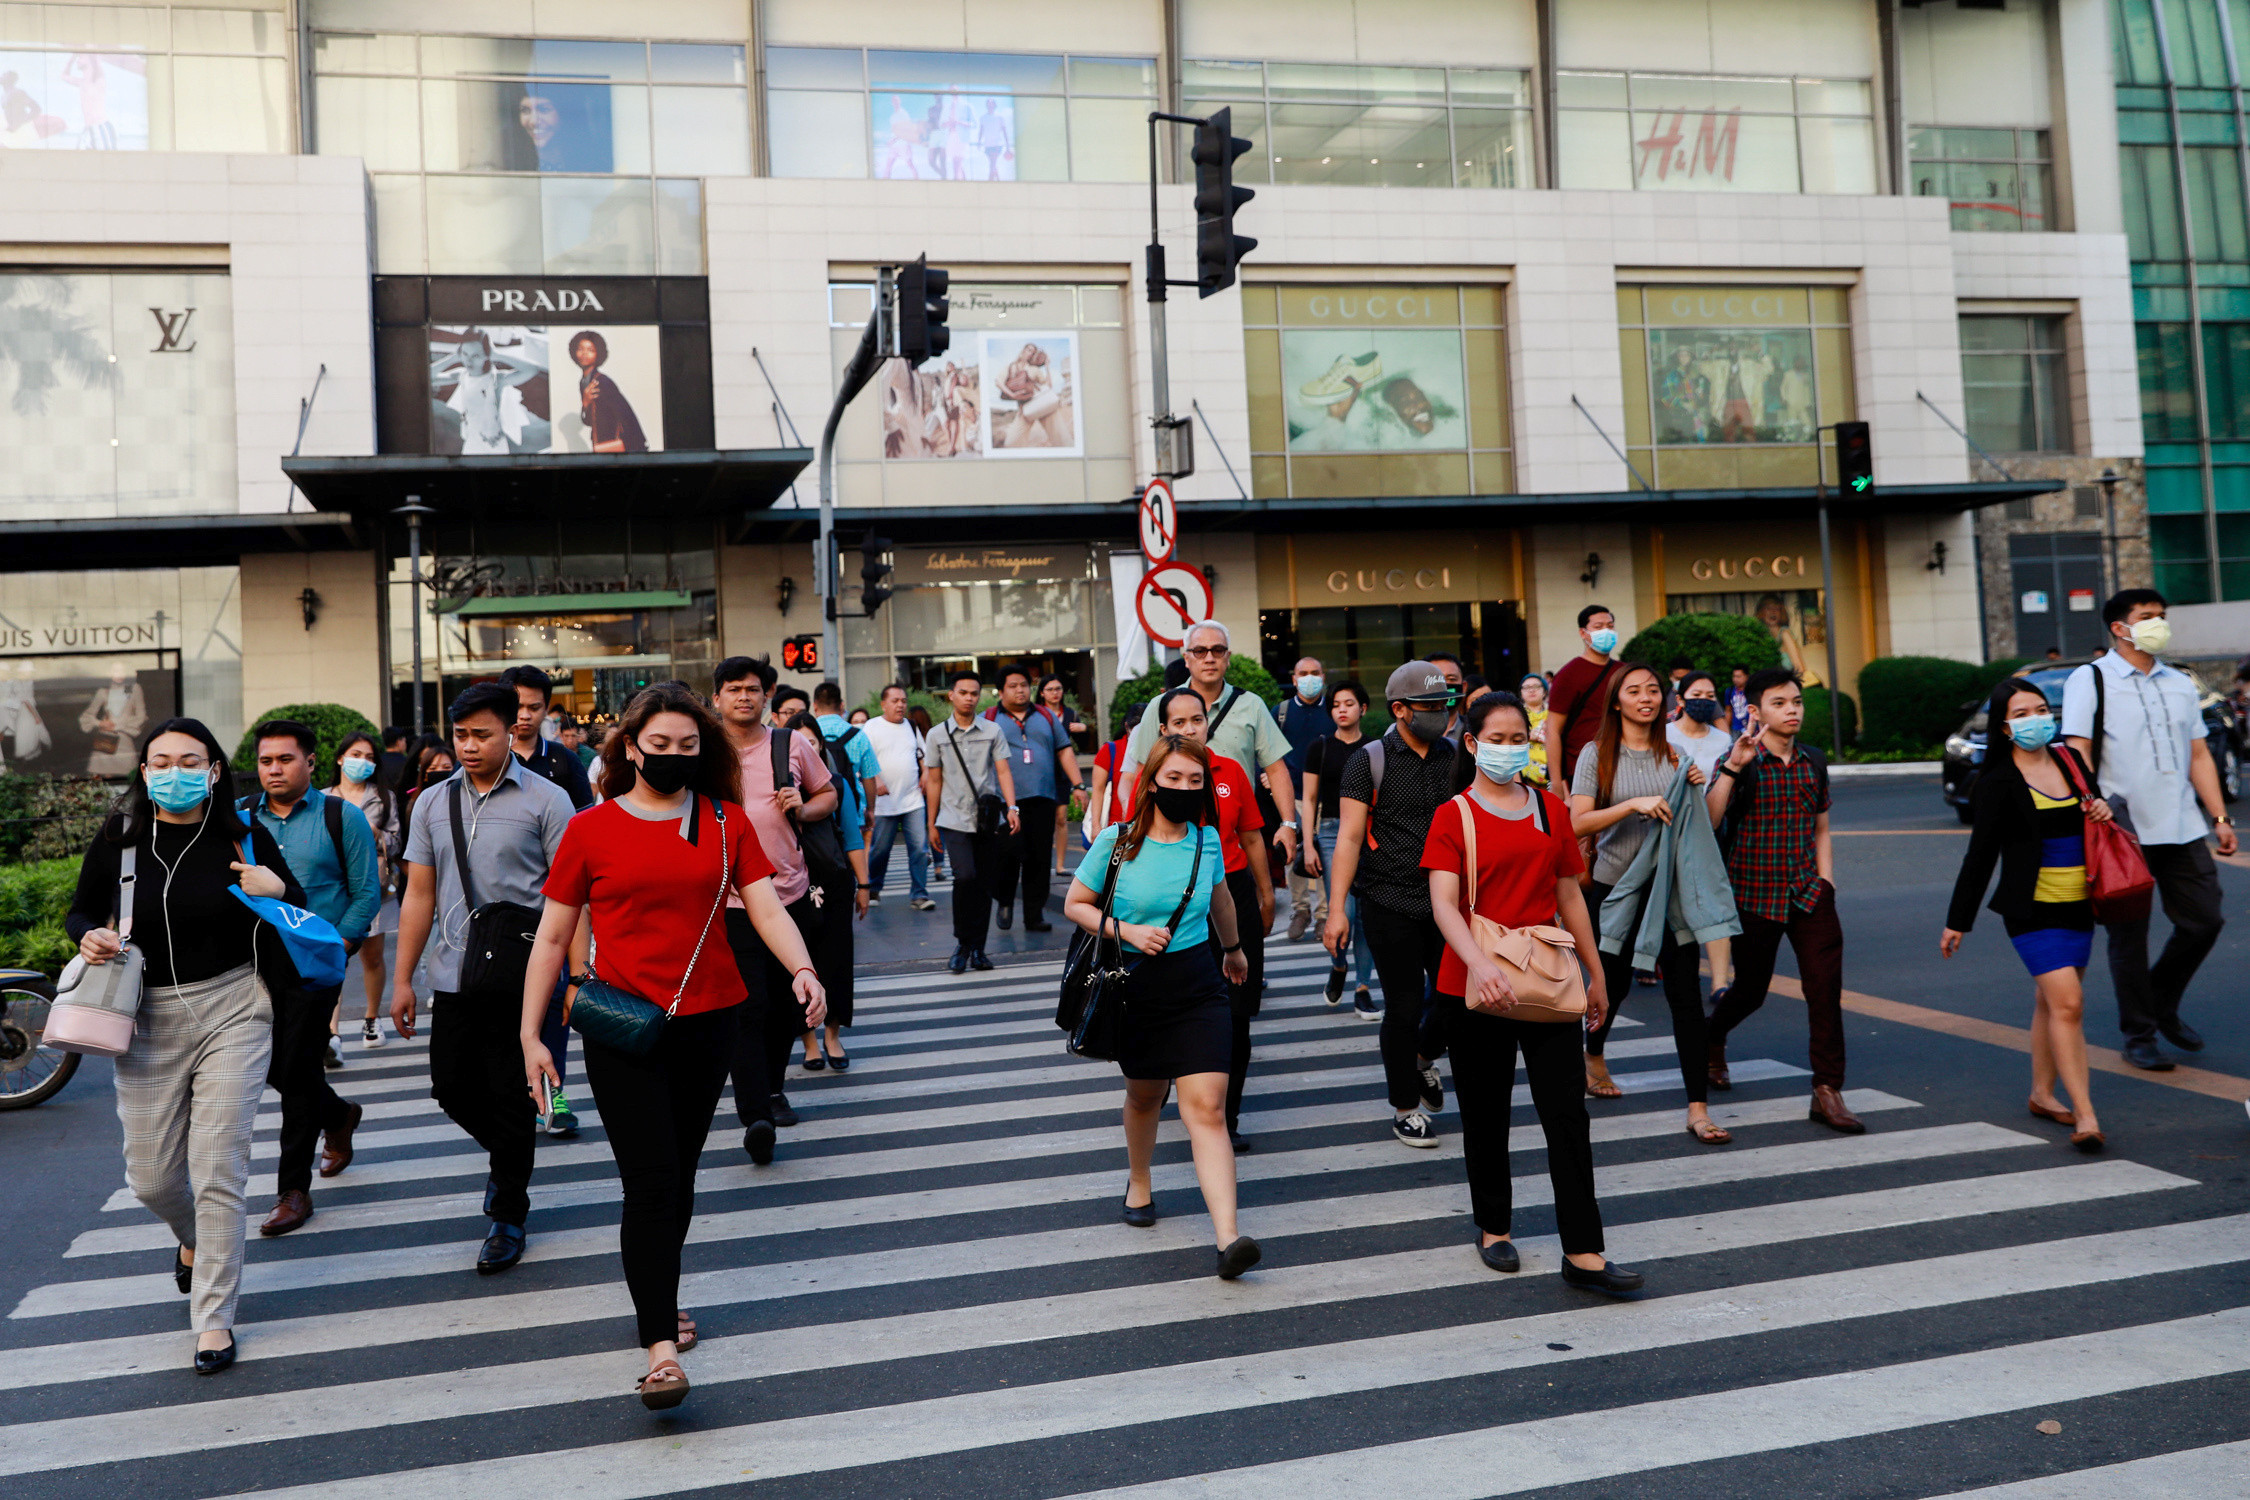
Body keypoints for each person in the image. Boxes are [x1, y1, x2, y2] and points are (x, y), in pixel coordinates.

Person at [523, 683, 824, 1410]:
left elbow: (763, 905)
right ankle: (659, 1347)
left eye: (688, 747)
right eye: (659, 746)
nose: (673, 757)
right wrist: (533, 1035)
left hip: (708, 1022)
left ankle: (659, 1291)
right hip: (623, 1025)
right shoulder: (591, 830)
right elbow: (556, 936)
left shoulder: (725, 822)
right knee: (651, 1182)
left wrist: (803, 968)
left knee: (679, 1178)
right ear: (632, 748)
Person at [67, 718, 303, 1374]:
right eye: (162, 760)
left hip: (236, 1009)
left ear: (215, 769)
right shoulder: (121, 835)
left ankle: (214, 1320)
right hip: (146, 1016)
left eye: (190, 759)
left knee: (219, 1166)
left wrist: (275, 888)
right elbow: (80, 910)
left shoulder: (241, 834)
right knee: (149, 1176)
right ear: (144, 772)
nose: (175, 771)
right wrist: (88, 936)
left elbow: (300, 907)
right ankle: (195, 1240)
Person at [1422, 691, 1643, 1294]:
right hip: (1474, 984)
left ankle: (1585, 1250)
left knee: (1567, 1115)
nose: (1508, 748)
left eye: (1518, 736)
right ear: (1471, 745)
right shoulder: (1454, 815)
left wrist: (1595, 974)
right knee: (1487, 1113)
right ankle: (1494, 1228)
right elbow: (1443, 902)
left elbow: (1570, 894)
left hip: (1545, 976)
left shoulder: (1549, 809)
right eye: (1494, 739)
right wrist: (1479, 965)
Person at [391, 683, 577, 1274]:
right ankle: (510, 1158)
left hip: (525, 972)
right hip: (452, 973)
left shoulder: (547, 801)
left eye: (482, 735)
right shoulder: (430, 803)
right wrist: (403, 981)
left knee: (509, 1092)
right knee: (451, 1087)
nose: (468, 747)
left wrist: (577, 975)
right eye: (461, 736)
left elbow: (574, 898)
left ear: (512, 731)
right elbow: (418, 895)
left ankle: (508, 1214)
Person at [1063, 736, 1261, 1280]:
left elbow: (1219, 899)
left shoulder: (1206, 841)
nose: (1184, 790)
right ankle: (1140, 1181)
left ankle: (1228, 1238)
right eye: (1174, 779)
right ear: (1152, 781)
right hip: (1137, 987)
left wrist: (1235, 949)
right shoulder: (1118, 841)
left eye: (1195, 782)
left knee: (1208, 1109)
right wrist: (1128, 930)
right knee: (1145, 1095)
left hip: (1198, 986)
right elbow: (1074, 904)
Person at [2061, 588, 2235, 1071]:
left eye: (2162, 615)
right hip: (2123, 827)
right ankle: (2139, 1034)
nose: (2158, 623)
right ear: (2120, 627)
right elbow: (2077, 749)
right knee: (2128, 937)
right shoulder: (2090, 680)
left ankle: (2160, 1001)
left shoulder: (2179, 683)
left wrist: (2218, 818)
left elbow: (2199, 754)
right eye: (2147, 616)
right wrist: (2090, 804)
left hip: (2181, 825)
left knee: (2204, 920)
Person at [1943, 678, 2112, 1150]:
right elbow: (1979, 858)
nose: (2036, 719)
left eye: (2040, 709)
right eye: (2022, 714)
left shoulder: (2070, 760)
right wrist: (1959, 920)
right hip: (2031, 910)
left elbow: (2095, 813)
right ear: (2004, 728)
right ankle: (2086, 1115)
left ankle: (2042, 1092)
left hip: (2080, 902)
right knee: (2069, 1004)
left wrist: (2099, 810)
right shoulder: (1995, 783)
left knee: (2051, 1002)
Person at [1567, 667, 1729, 1142]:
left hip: (1668, 893)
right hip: (1615, 890)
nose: (1646, 699)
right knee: (1610, 989)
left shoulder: (1676, 754)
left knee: (1684, 997)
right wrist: (1632, 804)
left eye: (1653, 691)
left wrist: (1702, 785)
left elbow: (1702, 825)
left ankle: (1697, 1108)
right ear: (1616, 702)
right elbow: (1577, 823)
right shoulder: (1597, 754)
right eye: (1634, 691)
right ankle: (1592, 1052)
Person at [1703, 668, 1862, 1133]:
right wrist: (1734, 765)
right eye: (1780, 703)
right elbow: (1710, 821)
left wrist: (1827, 881)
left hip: (1810, 893)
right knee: (1751, 990)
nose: (1792, 710)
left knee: (1824, 989)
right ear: (1755, 711)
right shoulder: (1740, 759)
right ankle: (1714, 1038)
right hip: (1753, 895)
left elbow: (1822, 827)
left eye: (1796, 701)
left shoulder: (1813, 760)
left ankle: (1827, 1090)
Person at [244, 719, 380, 1236]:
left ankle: (292, 1191)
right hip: (258, 964)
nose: (274, 769)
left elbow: (367, 891)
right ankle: (339, 1115)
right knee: (281, 1069)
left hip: (316, 965)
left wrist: (337, 946)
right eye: (265, 761)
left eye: (284, 759)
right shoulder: (239, 819)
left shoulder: (339, 815)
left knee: (296, 1067)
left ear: (310, 763)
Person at [1323, 661, 1463, 1148]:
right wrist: (1337, 909)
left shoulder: (1456, 757)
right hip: (1388, 901)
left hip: (1451, 904)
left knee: (1457, 1001)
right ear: (1400, 709)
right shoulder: (1370, 759)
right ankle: (1405, 1108)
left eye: (1445, 706)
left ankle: (1423, 1058)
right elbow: (1349, 836)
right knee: (1402, 1008)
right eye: (1427, 707)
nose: (1439, 716)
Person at [711, 656, 836, 1158]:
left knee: (788, 1006)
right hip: (729, 902)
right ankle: (756, 1112)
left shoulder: (791, 743)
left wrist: (802, 807)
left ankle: (775, 1085)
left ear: (768, 696)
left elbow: (828, 793)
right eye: (734, 689)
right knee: (748, 1006)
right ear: (717, 696)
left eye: (754, 689)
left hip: (789, 892)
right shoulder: (703, 751)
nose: (745, 696)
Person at [1150, 687, 1272, 1149]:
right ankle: (1162, 1084)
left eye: (1196, 720)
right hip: (1174, 906)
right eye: (1178, 723)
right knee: (1172, 1006)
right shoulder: (1156, 775)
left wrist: (1264, 894)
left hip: (1231, 894)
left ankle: (1227, 1116)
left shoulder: (1231, 772)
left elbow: (1252, 837)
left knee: (1237, 1015)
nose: (1189, 729)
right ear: (1164, 730)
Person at [1122, 621, 1301, 876]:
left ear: (1227, 657)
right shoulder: (1160, 706)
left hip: (1235, 845)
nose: (1209, 658)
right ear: (1186, 658)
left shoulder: (1251, 705)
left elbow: (1276, 768)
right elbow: (1140, 774)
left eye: (1218, 650)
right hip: (1172, 847)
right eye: (1200, 651)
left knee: (1242, 910)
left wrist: (1288, 824)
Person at [497, 665, 593, 1135]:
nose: (524, 716)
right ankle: (514, 1092)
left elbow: (586, 833)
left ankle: (553, 1092)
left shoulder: (563, 763)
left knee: (555, 1002)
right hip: (495, 914)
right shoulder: (480, 760)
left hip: (553, 909)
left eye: (535, 707)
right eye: (516, 706)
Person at [795, 701, 873, 1070]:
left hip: (836, 883)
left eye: (813, 743)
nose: (808, 749)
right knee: (800, 962)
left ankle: (833, 1035)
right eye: (800, 743)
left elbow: (853, 837)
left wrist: (864, 885)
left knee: (837, 960)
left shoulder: (836, 784)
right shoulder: (775, 790)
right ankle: (809, 1041)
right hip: (790, 887)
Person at [926, 668, 1019, 973]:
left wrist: (1012, 808)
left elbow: (1003, 771)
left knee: (983, 882)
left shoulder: (993, 731)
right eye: (963, 693)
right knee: (964, 876)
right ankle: (963, 942)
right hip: (953, 818)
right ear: (951, 695)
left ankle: (977, 948)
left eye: (974, 693)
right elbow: (934, 781)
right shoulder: (937, 735)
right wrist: (931, 823)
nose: (969, 698)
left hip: (987, 819)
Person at [984, 664, 1078, 933]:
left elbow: (1065, 751)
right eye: (1012, 686)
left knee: (1038, 859)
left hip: (1043, 797)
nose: (1019, 690)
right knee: (1006, 855)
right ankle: (1004, 900)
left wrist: (1078, 784)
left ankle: (1034, 915)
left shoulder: (1046, 716)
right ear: (1001, 691)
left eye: (1024, 685)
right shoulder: (989, 718)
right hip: (1005, 801)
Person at [1300, 678, 1375, 1014]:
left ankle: (1362, 986)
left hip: (1370, 836)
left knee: (1365, 918)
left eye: (1348, 704)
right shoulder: (1320, 747)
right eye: (1336, 705)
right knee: (1342, 910)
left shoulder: (1375, 748)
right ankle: (1339, 964)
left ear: (1363, 708)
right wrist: (1309, 844)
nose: (1342, 710)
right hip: (1330, 833)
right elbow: (1310, 798)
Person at [1665, 671, 1735, 1003]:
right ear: (1679, 700)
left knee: (1713, 899)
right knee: (1669, 901)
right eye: (1696, 694)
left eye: (1710, 696)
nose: (1704, 701)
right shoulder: (1662, 736)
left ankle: (1720, 982)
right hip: (1667, 828)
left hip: (1711, 829)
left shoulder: (1724, 741)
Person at [332, 731, 399, 1051]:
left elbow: (398, 842)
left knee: (372, 957)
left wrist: (374, 833)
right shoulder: (322, 796)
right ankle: (330, 1031)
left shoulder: (383, 797)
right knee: (332, 957)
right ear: (340, 758)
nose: (363, 762)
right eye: (357, 755)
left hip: (374, 888)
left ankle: (372, 1019)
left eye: (370, 757)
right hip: (331, 890)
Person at [863, 684, 935, 911]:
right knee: (880, 850)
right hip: (884, 802)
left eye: (903, 700)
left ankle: (919, 895)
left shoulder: (911, 726)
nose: (900, 705)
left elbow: (922, 754)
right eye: (895, 701)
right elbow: (863, 759)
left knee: (919, 849)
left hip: (912, 799)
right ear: (883, 704)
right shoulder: (871, 727)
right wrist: (876, 781)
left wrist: (925, 772)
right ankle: (874, 888)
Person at [1277, 656, 1331, 941]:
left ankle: (1324, 914)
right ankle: (1301, 910)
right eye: (1303, 673)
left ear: (1323, 676)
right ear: (1294, 678)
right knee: (1292, 854)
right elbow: (1267, 753)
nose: (1309, 678)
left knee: (1325, 855)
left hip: (1329, 796)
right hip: (1293, 796)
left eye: (1315, 672)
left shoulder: (1334, 708)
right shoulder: (1282, 712)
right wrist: (1266, 775)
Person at [1545, 606, 1619, 788]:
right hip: (1581, 770)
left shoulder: (1624, 672)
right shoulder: (1568, 675)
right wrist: (1557, 782)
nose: (1606, 632)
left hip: (1622, 765)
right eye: (1599, 626)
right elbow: (1553, 731)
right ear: (1583, 633)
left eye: (1610, 626)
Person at [568, 330, 650, 453]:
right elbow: (589, 421)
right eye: (580, 349)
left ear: (598, 354)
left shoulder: (602, 382)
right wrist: (585, 403)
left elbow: (625, 413)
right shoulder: (584, 382)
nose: (584, 354)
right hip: (601, 443)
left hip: (613, 445)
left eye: (590, 350)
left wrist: (637, 444)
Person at [1089, 704, 1143, 836]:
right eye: (1134, 729)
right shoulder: (1110, 750)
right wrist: (1096, 825)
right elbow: (1098, 789)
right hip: (1117, 828)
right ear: (1126, 727)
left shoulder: (1158, 748)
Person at [1519, 674, 1550, 788]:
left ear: (1545, 692)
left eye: (1536, 686)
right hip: (1525, 774)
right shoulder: (1516, 714)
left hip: (1551, 771)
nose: (1531, 690)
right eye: (1526, 687)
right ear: (1521, 693)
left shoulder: (1553, 714)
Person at [1725, 666, 1753, 736]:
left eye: (1739, 676)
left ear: (1747, 677)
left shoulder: (1752, 691)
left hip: (1752, 728)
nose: (1735, 679)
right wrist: (1726, 730)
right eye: (1734, 676)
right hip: (1736, 729)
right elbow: (1728, 711)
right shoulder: (1730, 691)